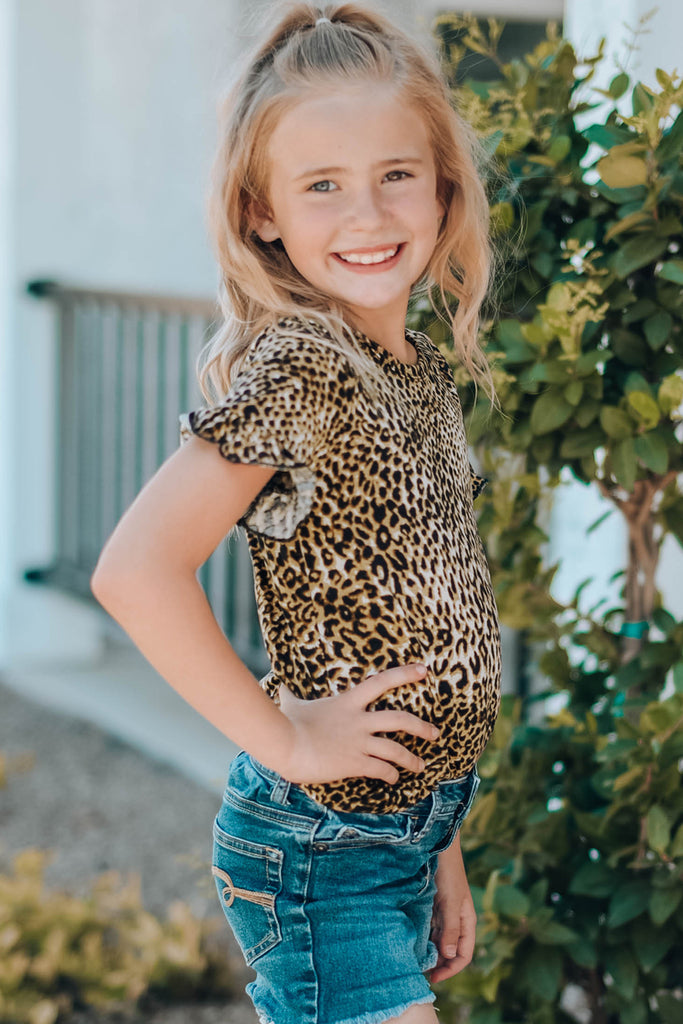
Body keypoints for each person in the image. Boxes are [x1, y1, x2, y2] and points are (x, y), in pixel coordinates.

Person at [91, 4, 502, 1023]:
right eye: (322, 185)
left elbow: (418, 621)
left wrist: (441, 841)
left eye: (395, 174)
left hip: (406, 828)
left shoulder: (416, 371)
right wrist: (291, 742)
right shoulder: (304, 367)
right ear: (261, 212)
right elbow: (134, 571)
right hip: (322, 850)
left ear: (442, 189)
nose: (366, 214)